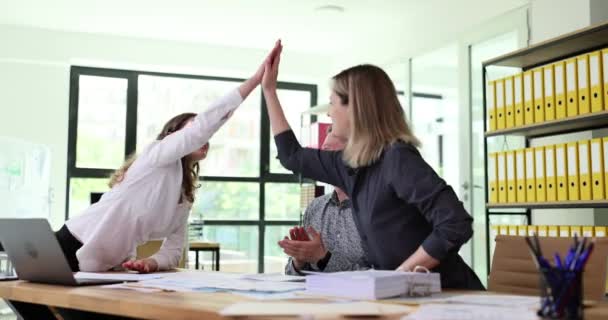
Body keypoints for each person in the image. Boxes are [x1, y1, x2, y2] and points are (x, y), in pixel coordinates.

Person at [262, 40, 483, 289]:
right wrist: (269, 91)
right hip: (405, 296)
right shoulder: (348, 167)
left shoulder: (398, 158)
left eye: (333, 103)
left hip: (452, 297)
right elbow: (291, 155)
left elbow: (455, 222)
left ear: (355, 108)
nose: (329, 113)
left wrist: (402, 273)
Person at [56, 43, 282, 273]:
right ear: (173, 136)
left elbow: (174, 249)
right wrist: (255, 81)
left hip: (105, 265)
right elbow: (202, 128)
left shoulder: (184, 196)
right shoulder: (157, 155)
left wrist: (151, 262)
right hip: (69, 244)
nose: (203, 135)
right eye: (193, 128)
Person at [280, 129, 369, 275]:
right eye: (321, 154)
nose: (321, 162)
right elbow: (291, 275)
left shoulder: (374, 209)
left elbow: (384, 276)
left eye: (328, 154)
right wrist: (299, 260)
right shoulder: (315, 207)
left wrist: (324, 258)